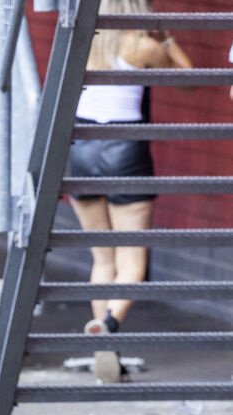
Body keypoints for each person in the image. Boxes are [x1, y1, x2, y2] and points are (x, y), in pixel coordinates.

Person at [68, 0, 193, 382]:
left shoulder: (81, 41)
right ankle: (109, 326)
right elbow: (191, 77)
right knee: (133, 262)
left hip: (82, 146)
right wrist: (166, 39)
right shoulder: (141, 46)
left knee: (102, 259)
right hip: (125, 148)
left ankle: (102, 344)